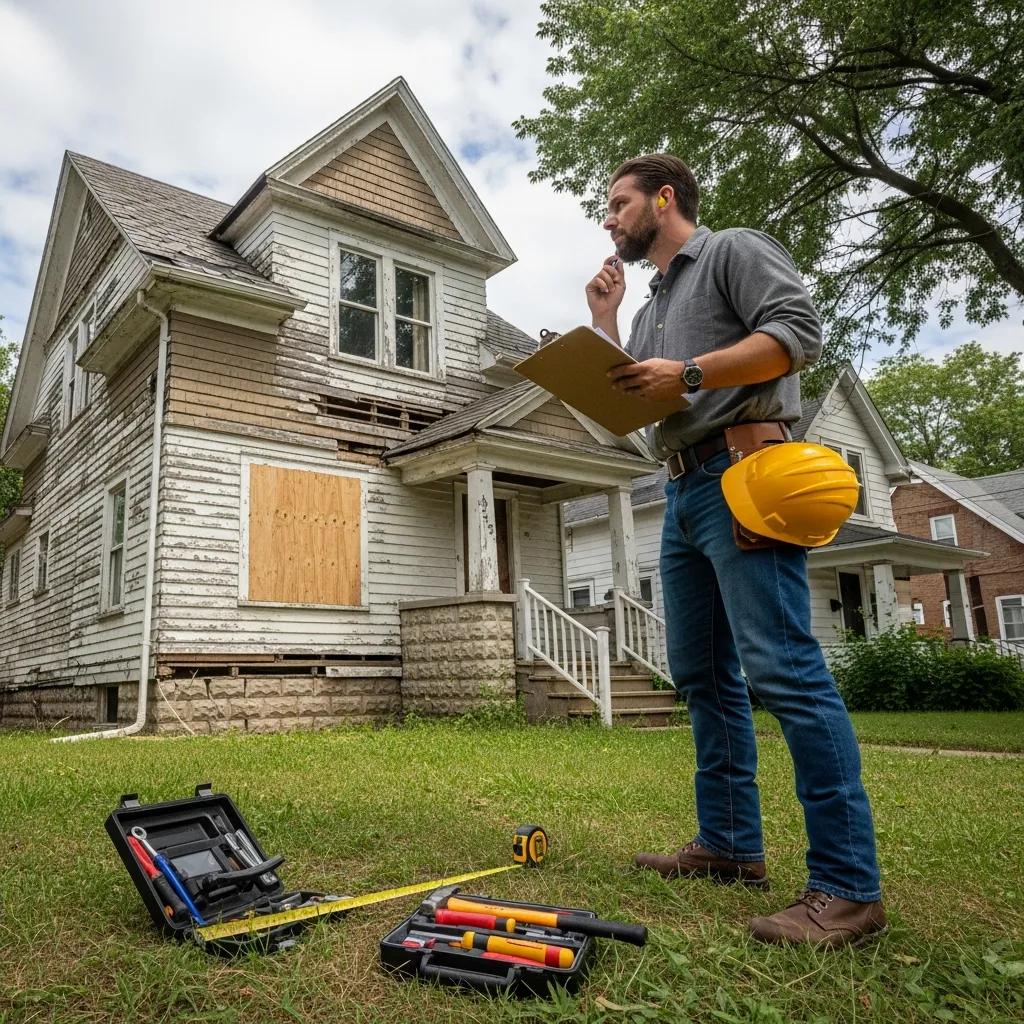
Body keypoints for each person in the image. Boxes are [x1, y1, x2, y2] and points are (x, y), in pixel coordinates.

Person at [586, 154, 885, 948]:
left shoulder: (731, 250)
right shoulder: (650, 305)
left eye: (618, 204)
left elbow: (796, 337)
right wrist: (607, 323)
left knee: (783, 668)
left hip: (746, 474)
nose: (609, 219)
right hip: (682, 492)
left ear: (664, 198)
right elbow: (629, 396)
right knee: (701, 675)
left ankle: (849, 888)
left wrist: (687, 369)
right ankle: (728, 846)